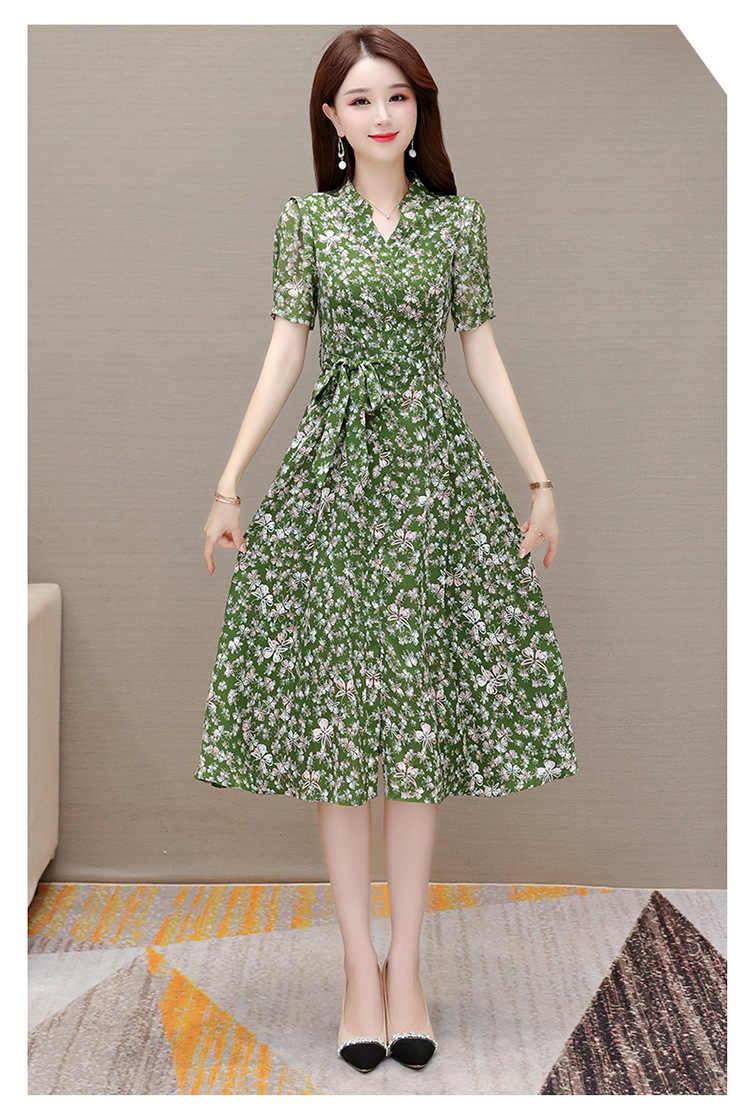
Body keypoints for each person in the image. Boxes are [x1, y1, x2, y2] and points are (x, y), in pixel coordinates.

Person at [196, 25, 578, 1075]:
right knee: (341, 732)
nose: (381, 115)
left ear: (420, 110)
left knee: (412, 728)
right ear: (329, 117)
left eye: (398, 97)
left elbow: (480, 349)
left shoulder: (458, 224)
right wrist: (229, 482)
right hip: (334, 483)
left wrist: (540, 480)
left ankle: (406, 968)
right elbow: (285, 349)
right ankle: (356, 974)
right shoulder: (306, 222)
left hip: (429, 483)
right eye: (360, 99)